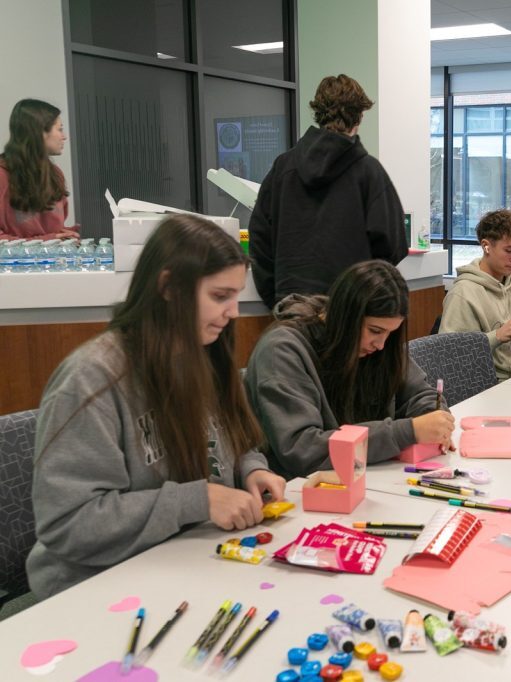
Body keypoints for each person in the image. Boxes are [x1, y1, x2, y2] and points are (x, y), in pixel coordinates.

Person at [27, 215, 284, 599]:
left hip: (182, 561)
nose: (234, 312)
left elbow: (223, 437)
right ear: (168, 287)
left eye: (236, 296)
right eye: (219, 296)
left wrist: (249, 468)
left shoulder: (201, 350)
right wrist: (200, 499)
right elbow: (70, 524)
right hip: (95, 588)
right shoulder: (91, 379)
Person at [245, 260, 454, 479]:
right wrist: (406, 432)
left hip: (369, 478)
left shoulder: (378, 345)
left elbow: (420, 393)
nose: (381, 344)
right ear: (345, 317)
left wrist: (434, 420)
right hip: (302, 490)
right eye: (374, 331)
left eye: (390, 333)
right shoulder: (282, 351)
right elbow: (302, 450)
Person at [249, 74, 407, 309]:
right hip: (348, 305)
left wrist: (276, 296)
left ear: (318, 113)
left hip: (292, 303)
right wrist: (363, 290)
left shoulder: (283, 168)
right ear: (359, 117)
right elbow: (392, 245)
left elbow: (260, 237)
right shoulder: (369, 171)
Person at [439, 209, 511, 381]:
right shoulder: (463, 293)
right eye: (509, 250)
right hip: (486, 388)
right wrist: (496, 336)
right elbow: (450, 357)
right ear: (486, 246)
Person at [0, 99, 79, 241]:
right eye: (60, 129)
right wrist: (47, 241)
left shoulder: (55, 174)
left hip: (52, 260)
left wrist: (65, 236)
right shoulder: (2, 176)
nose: (64, 136)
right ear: (40, 132)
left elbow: (52, 229)